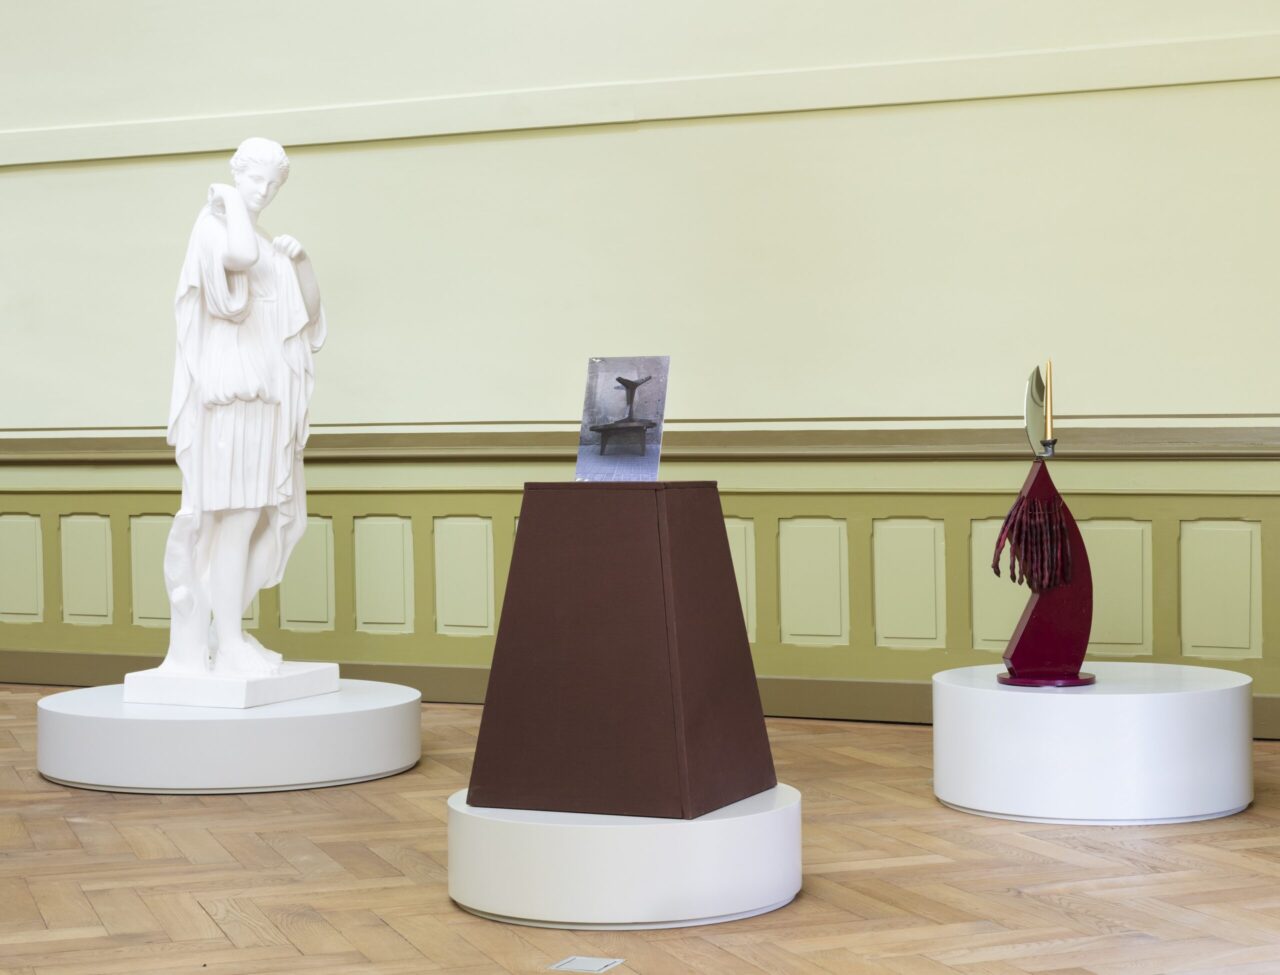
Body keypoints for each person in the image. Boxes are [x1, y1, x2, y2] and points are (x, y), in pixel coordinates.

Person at [160, 137, 326, 676]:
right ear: (236, 174)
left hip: (266, 394)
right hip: (232, 392)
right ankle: (226, 640)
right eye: (255, 179)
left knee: (273, 522)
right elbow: (239, 264)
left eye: (273, 184)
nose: (264, 191)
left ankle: (223, 630)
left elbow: (306, 318)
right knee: (236, 518)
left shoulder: (264, 240)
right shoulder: (215, 226)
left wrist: (302, 263)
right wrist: (231, 200)